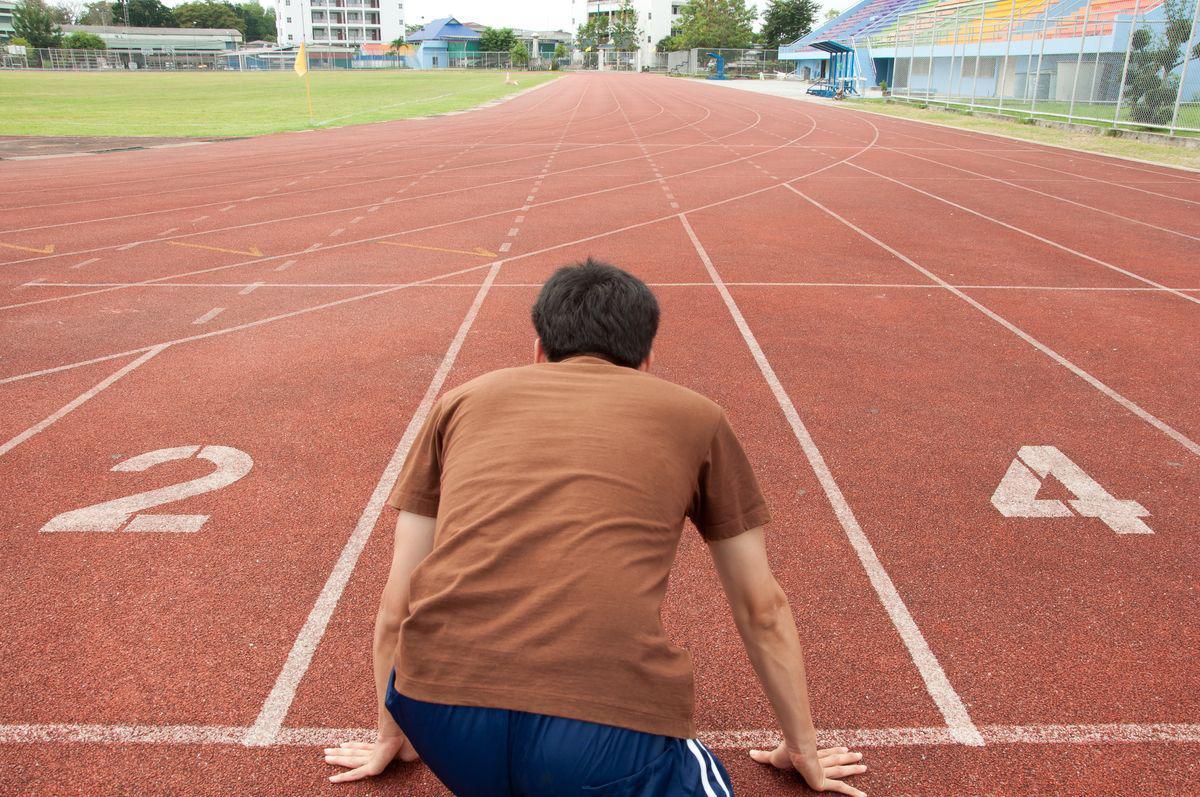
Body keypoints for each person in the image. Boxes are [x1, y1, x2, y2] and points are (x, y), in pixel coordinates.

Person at [322, 259, 868, 796]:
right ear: (647, 359)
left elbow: (398, 603)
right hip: (596, 742)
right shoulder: (697, 416)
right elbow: (761, 609)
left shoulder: (458, 403)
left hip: (437, 718)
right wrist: (800, 748)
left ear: (538, 350)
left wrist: (394, 736)